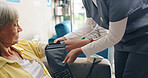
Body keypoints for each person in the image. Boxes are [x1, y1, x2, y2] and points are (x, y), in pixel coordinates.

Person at [54, 0, 148, 78]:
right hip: (122, 40)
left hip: (142, 39)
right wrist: (66, 38)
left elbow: (114, 36)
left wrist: (80, 50)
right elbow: (90, 25)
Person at [0, 2, 51, 78]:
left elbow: (51, 48)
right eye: (14, 25)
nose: (20, 29)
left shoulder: (22, 45)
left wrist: (72, 40)